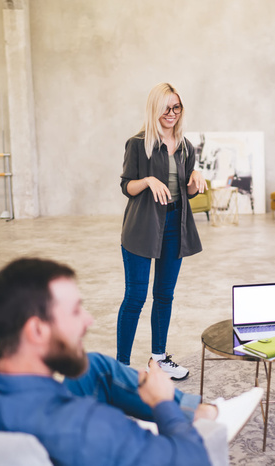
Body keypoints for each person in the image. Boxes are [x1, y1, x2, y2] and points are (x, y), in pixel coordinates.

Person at [0, 258, 263, 466]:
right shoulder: (89, 426)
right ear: (36, 330)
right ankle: (207, 418)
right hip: (61, 428)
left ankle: (206, 410)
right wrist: (163, 405)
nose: (89, 319)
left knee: (94, 366)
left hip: (28, 410)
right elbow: (193, 460)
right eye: (75, 310)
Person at [117, 82, 208, 379]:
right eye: (165, 107)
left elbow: (187, 192)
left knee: (164, 295)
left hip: (174, 227)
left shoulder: (185, 147)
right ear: (154, 109)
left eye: (176, 107)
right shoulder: (138, 143)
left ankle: (159, 359)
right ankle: (121, 368)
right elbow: (126, 186)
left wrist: (194, 182)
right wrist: (147, 181)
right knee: (136, 297)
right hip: (141, 229)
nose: (171, 113)